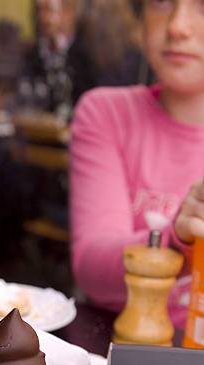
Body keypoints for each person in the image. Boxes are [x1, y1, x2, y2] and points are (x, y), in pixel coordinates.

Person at [70, 0, 204, 330]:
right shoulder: (106, 113)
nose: (177, 26)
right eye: (161, 2)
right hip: (124, 358)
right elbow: (91, 269)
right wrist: (178, 242)